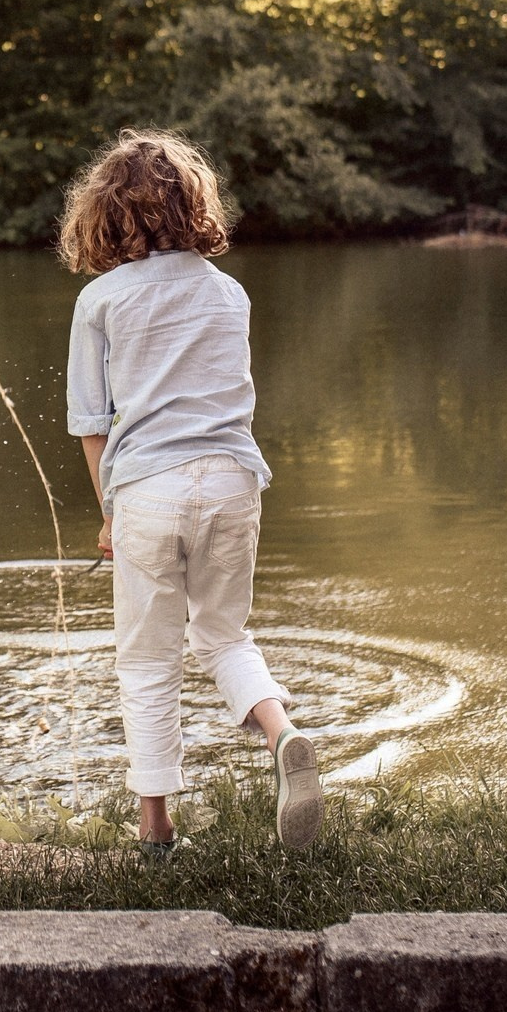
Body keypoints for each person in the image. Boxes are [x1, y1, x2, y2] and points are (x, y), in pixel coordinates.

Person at [60, 129, 321, 856]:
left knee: (148, 660)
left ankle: (157, 828)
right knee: (224, 635)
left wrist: (110, 514)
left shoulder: (100, 301)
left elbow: (92, 425)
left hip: (149, 488)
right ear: (195, 206)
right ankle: (282, 733)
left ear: (106, 213)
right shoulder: (228, 293)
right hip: (234, 479)